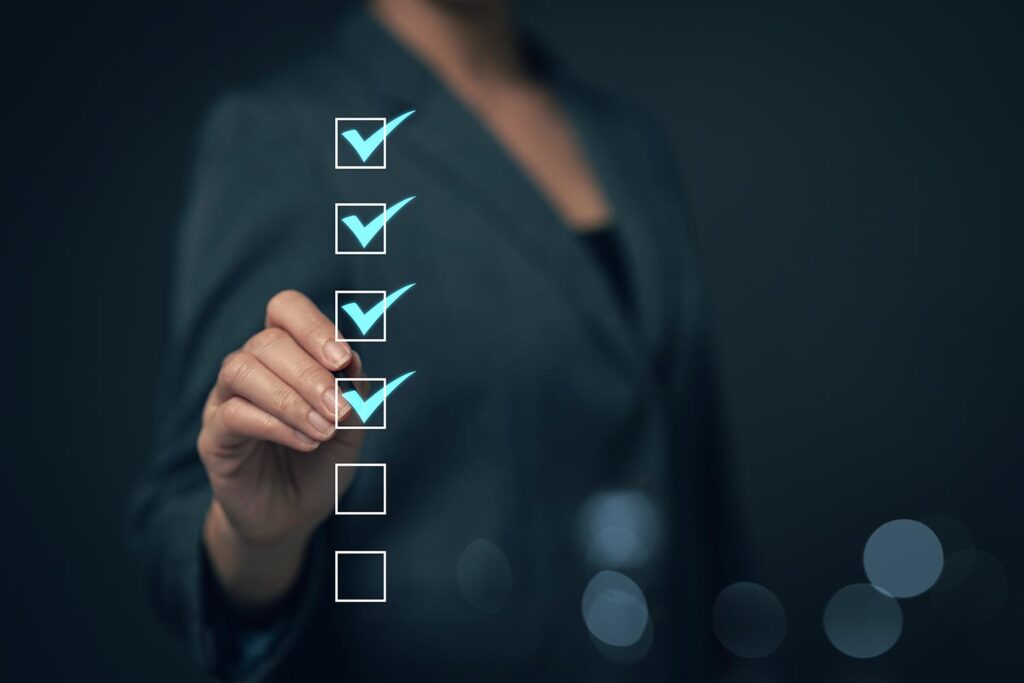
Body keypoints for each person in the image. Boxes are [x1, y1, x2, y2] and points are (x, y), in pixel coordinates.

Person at [129, 0, 742, 679]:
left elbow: (699, 485)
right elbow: (181, 513)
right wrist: (258, 538)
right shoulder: (289, 134)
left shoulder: (630, 141)